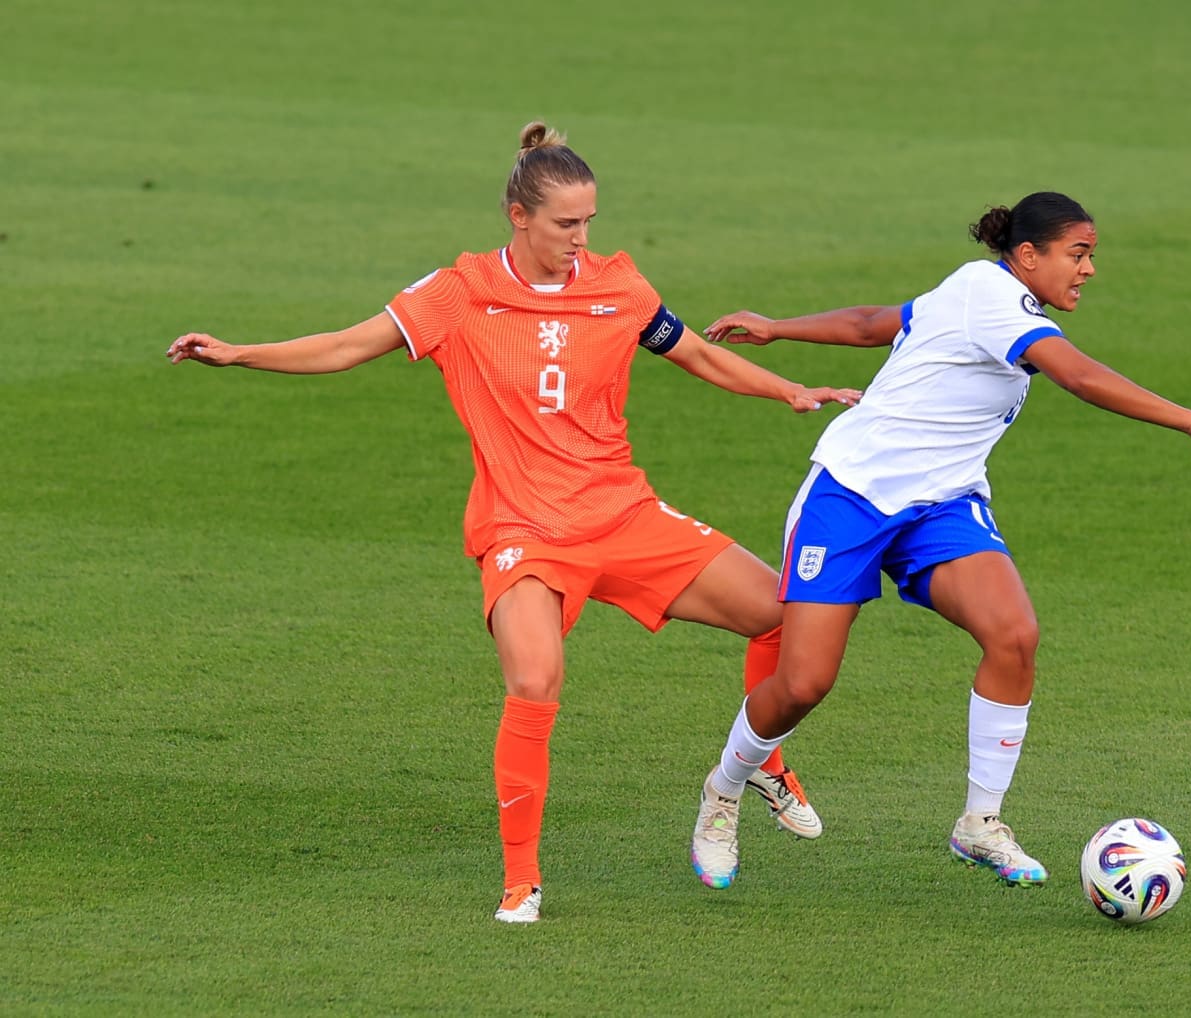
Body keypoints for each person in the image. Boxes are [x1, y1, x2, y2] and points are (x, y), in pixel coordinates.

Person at [166, 121, 861, 923]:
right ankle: (522, 881)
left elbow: (699, 353)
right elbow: (348, 346)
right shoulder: (458, 293)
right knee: (534, 682)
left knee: (786, 614)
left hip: (622, 514)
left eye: (590, 221)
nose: (582, 238)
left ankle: (755, 765)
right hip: (523, 529)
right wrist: (239, 352)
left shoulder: (620, 288)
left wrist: (791, 391)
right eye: (567, 223)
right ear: (518, 215)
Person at [688, 191, 1191, 890]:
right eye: (1078, 255)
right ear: (1028, 256)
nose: (1088, 270)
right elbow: (1077, 376)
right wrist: (1190, 419)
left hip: (944, 505)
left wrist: (778, 326)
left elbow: (878, 322)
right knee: (803, 683)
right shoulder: (993, 298)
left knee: (1014, 635)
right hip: (852, 495)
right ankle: (724, 788)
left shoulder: (976, 290)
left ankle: (979, 823)